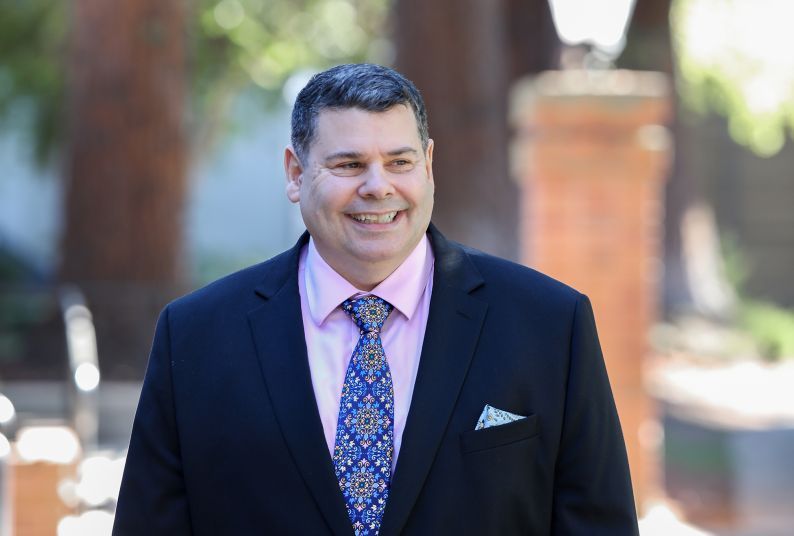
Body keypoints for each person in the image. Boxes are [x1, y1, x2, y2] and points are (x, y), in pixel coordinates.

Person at [113, 63, 638, 535]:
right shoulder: (196, 337)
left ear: (428, 165)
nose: (378, 186)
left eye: (399, 161)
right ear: (296, 174)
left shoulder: (550, 326)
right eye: (347, 164)